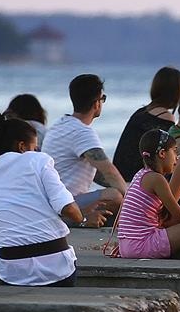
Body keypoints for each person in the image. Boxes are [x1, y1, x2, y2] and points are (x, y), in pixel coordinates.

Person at [0, 112, 106, 287]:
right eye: (34, 147)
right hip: (57, 268)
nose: (37, 151)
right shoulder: (38, 161)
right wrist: (83, 218)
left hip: (10, 272)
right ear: (22, 146)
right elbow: (69, 209)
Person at [43, 74, 125, 219]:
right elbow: (109, 171)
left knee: (126, 187)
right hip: (65, 204)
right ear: (96, 103)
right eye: (103, 99)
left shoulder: (60, 124)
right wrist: (135, 201)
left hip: (53, 200)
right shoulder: (81, 132)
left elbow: (99, 174)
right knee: (115, 196)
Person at [115, 128, 180, 259]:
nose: (177, 157)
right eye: (174, 151)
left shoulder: (140, 175)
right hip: (142, 245)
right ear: (162, 153)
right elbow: (179, 216)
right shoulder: (157, 179)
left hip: (126, 246)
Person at [113, 65, 180, 181]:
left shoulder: (141, 112)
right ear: (176, 93)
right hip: (137, 176)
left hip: (120, 174)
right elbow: (169, 153)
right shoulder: (165, 118)